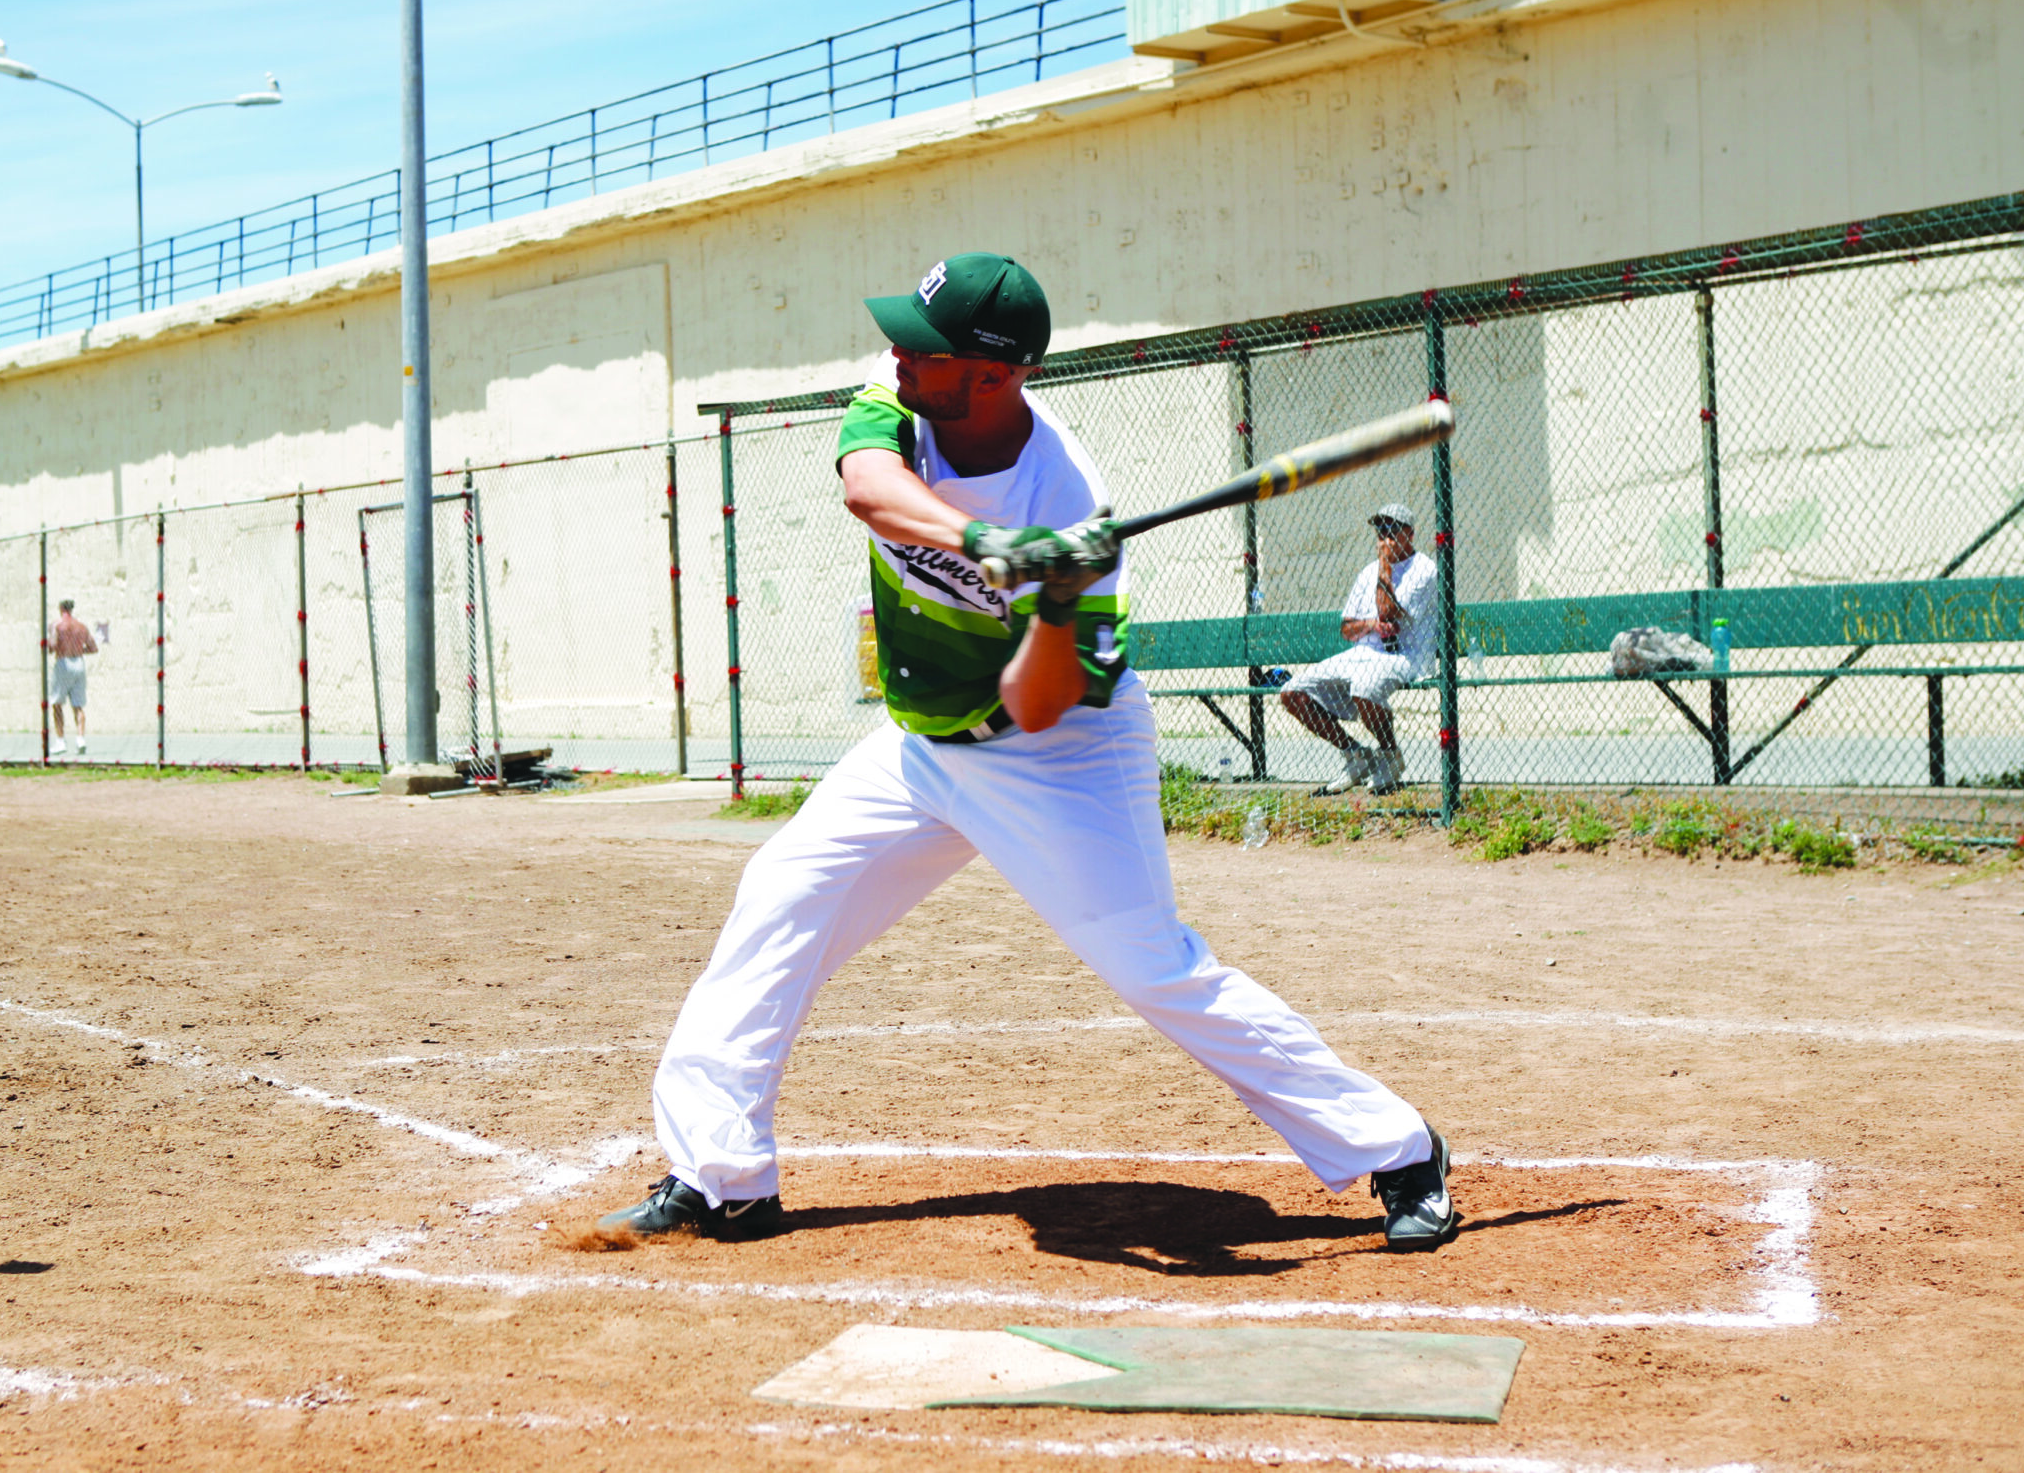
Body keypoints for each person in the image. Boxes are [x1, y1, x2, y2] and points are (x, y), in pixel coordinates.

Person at [598, 253, 1456, 1252]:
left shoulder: (1071, 507)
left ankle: (1398, 1150)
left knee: (1152, 969)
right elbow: (868, 490)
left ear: (993, 376)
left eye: (924, 347)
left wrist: (1051, 596)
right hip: (920, 745)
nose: (896, 355)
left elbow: (1038, 706)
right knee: (780, 899)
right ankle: (722, 1178)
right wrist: (980, 540)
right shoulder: (901, 396)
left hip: (1056, 755)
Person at [1279, 503, 1440, 796]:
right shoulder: (1367, 573)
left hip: (1406, 656)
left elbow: (1389, 613)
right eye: (1381, 532)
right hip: (1362, 655)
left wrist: (1385, 567)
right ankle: (1355, 755)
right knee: (1292, 692)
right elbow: (1347, 629)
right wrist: (1369, 624)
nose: (1385, 539)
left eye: (1393, 531)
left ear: (1410, 534)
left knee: (1364, 687)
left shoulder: (1424, 570)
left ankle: (1390, 756)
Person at [48, 598, 96, 755]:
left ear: (61, 609)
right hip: (79, 665)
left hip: (63, 663)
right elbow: (93, 648)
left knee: (56, 704)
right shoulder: (82, 627)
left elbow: (53, 645)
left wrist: (47, 646)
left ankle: (61, 742)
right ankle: (80, 739)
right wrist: (78, 650)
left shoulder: (57, 625)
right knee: (78, 705)